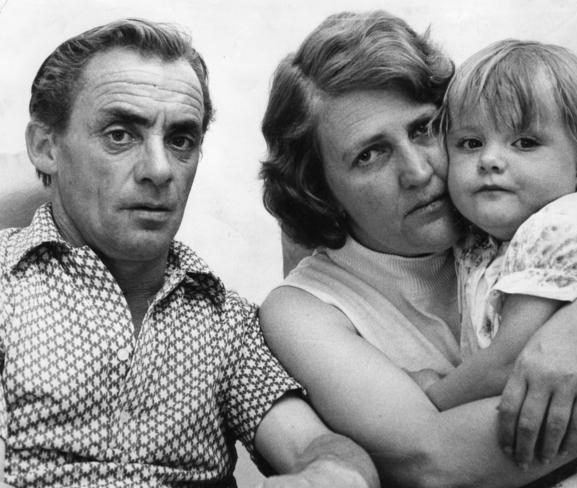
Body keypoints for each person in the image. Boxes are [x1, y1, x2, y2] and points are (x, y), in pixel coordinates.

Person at [259, 10, 577, 487]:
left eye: (424, 129)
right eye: (370, 154)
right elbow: (433, 460)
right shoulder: (305, 309)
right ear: (320, 190)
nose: (419, 171)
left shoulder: (516, 202)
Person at [0, 18, 379, 488]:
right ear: (45, 147)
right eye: (120, 134)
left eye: (181, 140)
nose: (160, 170)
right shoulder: (6, 288)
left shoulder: (225, 321)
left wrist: (333, 474)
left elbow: (315, 447)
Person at [420, 38, 577, 424]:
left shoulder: (561, 227)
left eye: (524, 143)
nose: (490, 160)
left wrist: (430, 396)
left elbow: (510, 361)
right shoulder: (484, 240)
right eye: (470, 143)